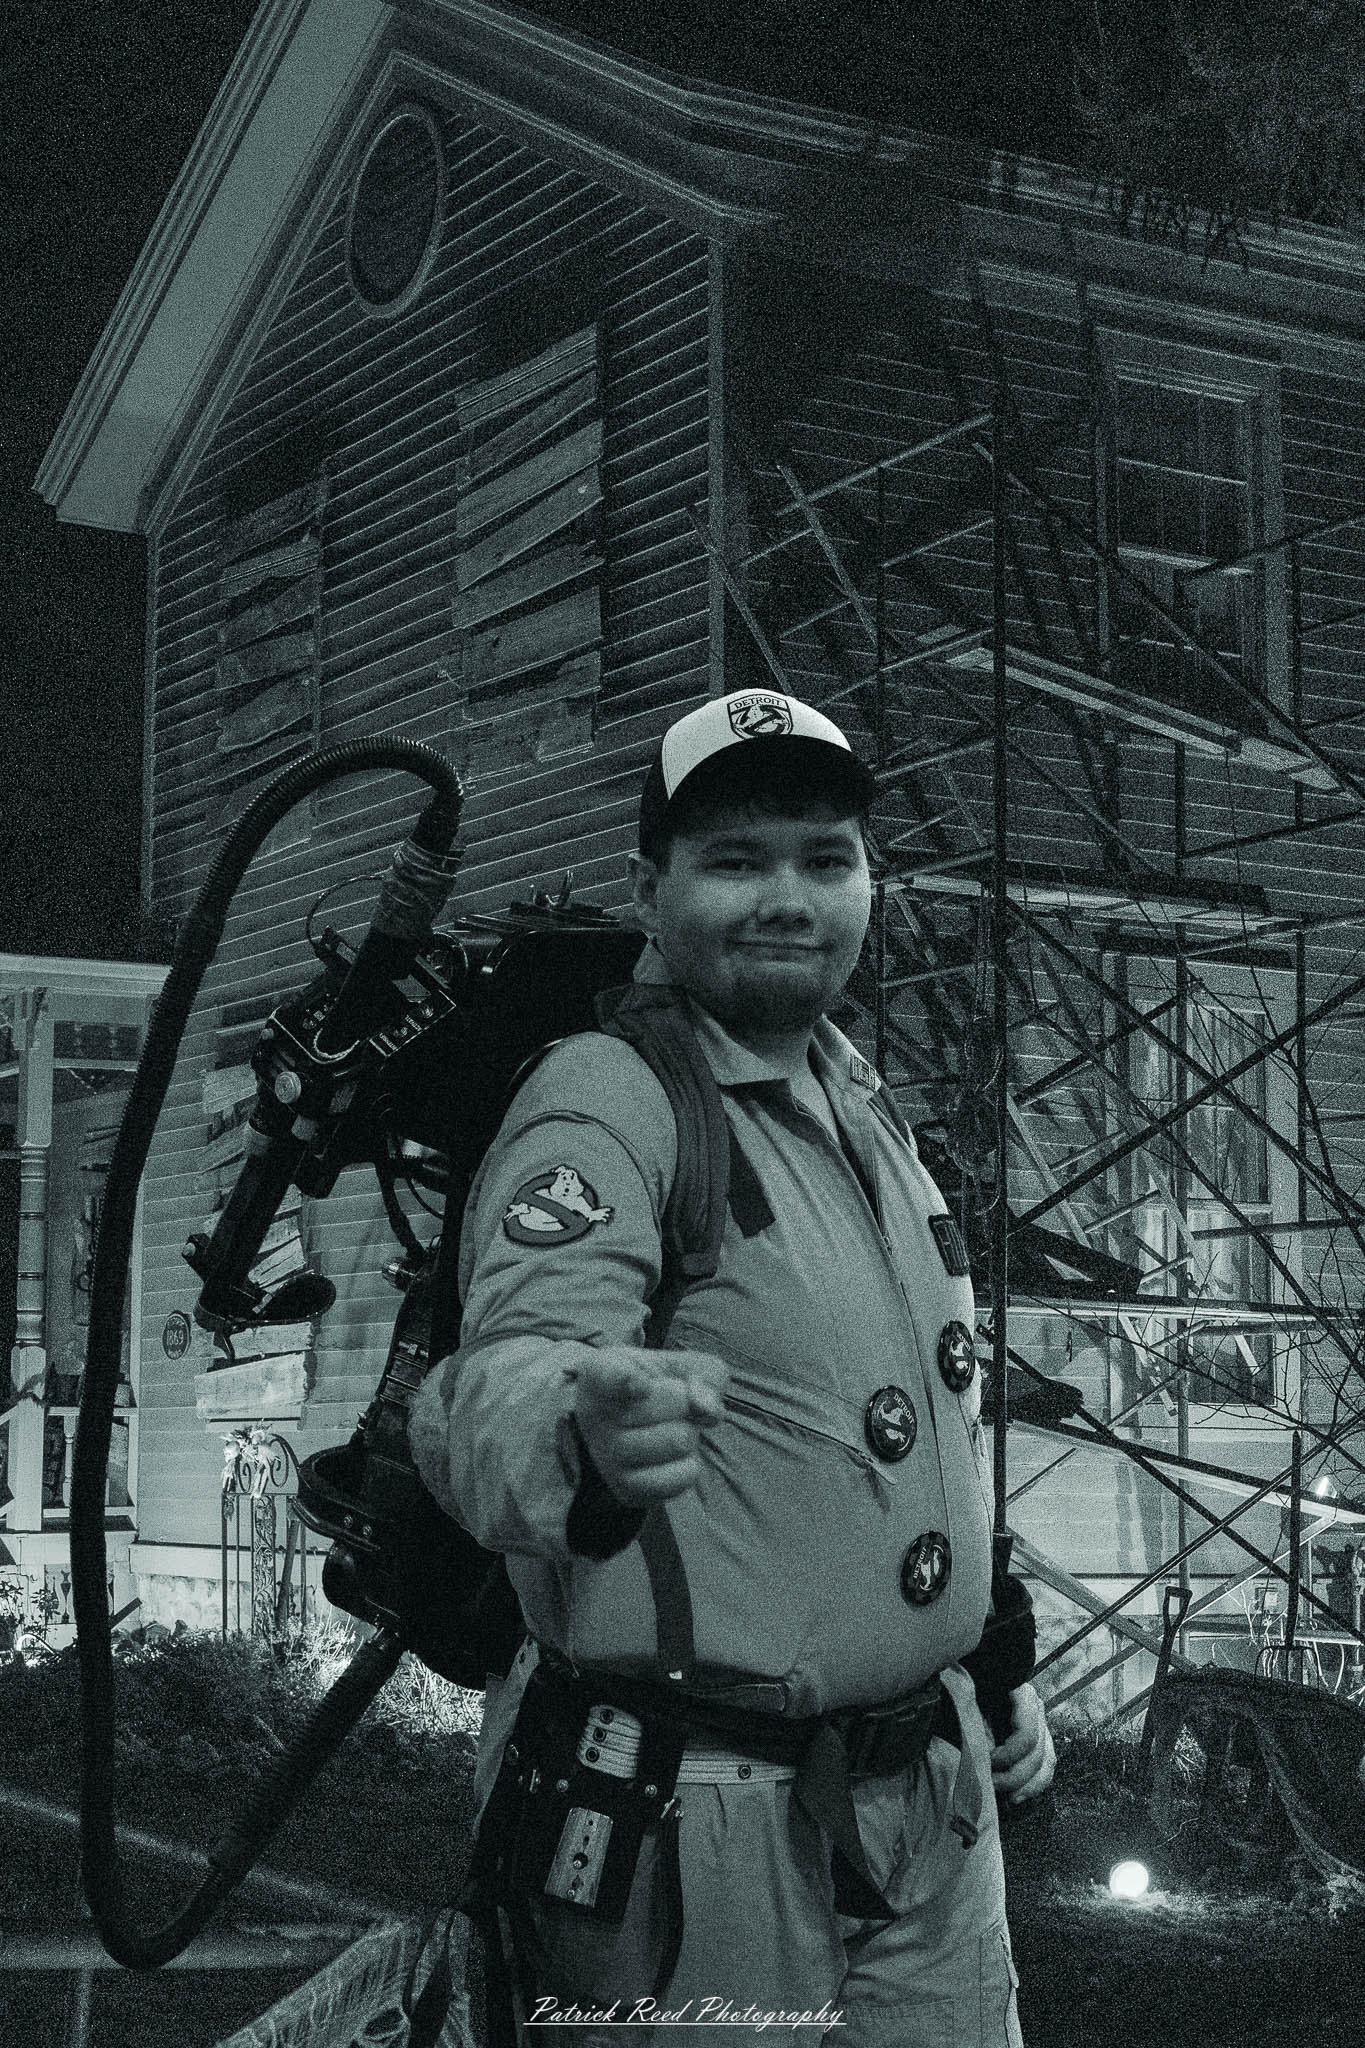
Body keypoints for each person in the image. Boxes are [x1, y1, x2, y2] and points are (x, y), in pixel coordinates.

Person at [409, 685, 1055, 2045]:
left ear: (869, 885)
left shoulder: (858, 1101)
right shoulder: (608, 1097)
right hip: (698, 1819)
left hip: (929, 1803)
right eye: (737, 860)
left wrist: (989, 1659)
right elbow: (500, 1374)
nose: (788, 898)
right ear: (654, 893)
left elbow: (914, 1424)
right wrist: (576, 1435)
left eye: (826, 859)